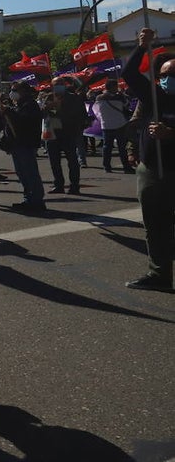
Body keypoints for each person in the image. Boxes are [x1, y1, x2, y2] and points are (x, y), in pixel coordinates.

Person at [120, 27, 175, 292]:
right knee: (154, 225)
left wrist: (171, 134)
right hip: (151, 169)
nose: (167, 80)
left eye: (173, 75)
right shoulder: (155, 97)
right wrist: (142, 45)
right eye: (164, 75)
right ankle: (160, 273)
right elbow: (129, 74)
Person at [5, 81, 46, 212]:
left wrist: (9, 112)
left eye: (14, 90)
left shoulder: (30, 105)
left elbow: (24, 122)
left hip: (26, 143)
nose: (12, 93)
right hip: (18, 143)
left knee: (30, 172)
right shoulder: (19, 105)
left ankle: (36, 200)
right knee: (22, 172)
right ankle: (28, 197)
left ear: (23, 91)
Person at [44, 77, 87, 195]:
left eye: (60, 84)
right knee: (54, 161)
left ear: (64, 85)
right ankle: (58, 184)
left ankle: (74, 186)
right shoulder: (48, 97)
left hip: (68, 132)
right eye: (55, 84)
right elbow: (43, 113)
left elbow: (81, 114)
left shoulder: (73, 98)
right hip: (52, 132)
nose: (58, 86)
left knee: (72, 161)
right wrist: (47, 107)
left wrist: (62, 109)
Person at [94, 79, 134, 174]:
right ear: (112, 87)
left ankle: (107, 166)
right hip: (120, 124)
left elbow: (96, 111)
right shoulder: (119, 97)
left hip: (106, 125)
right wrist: (123, 94)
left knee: (107, 148)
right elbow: (128, 105)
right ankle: (126, 167)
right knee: (122, 147)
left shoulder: (99, 98)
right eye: (116, 86)